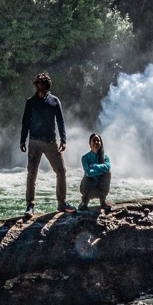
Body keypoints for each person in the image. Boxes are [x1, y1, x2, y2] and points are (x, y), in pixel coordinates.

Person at [20, 72, 73, 215]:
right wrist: (22, 140)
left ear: (47, 84)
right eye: (36, 83)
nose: (38, 85)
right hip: (34, 142)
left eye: (40, 83)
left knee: (61, 171)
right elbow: (25, 122)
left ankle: (62, 203)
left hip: (51, 142)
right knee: (32, 173)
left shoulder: (55, 101)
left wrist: (63, 139)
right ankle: (30, 205)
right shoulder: (30, 102)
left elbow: (60, 121)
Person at [79, 132, 112, 212]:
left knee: (108, 173)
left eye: (98, 140)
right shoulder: (85, 158)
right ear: (90, 144)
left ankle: (103, 201)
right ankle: (84, 202)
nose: (96, 142)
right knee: (88, 177)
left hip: (100, 188)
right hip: (88, 188)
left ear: (101, 143)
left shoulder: (105, 157)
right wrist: (102, 170)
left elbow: (107, 168)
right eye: (94, 140)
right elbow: (88, 173)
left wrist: (94, 166)